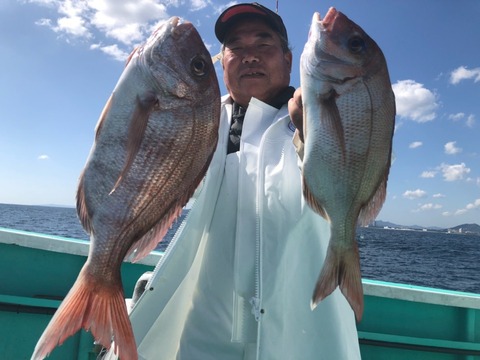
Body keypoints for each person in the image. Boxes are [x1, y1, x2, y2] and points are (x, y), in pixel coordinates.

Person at [107, 3, 361, 359]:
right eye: (236, 47)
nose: (250, 56)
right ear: (221, 62)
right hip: (204, 333)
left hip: (305, 335)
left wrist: (318, 132)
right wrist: (135, 102)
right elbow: (137, 172)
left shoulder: (324, 114)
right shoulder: (196, 121)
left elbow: (360, 173)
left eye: (263, 44)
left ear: (289, 60)